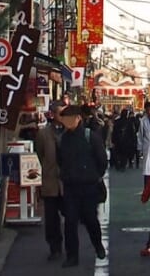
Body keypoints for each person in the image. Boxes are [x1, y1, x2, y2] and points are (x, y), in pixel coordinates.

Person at [56, 105, 107, 267]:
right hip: (70, 186)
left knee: (90, 219)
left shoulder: (90, 136)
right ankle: (72, 256)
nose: (66, 122)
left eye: (69, 118)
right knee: (70, 222)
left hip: (89, 186)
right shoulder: (63, 138)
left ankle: (98, 245)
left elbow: (102, 161)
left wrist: (94, 175)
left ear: (78, 118)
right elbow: (60, 160)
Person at [33, 101, 65, 261]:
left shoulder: (70, 132)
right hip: (50, 181)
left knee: (71, 216)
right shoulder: (43, 134)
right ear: (52, 115)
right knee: (51, 218)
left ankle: (71, 247)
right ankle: (55, 247)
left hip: (67, 181)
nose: (64, 117)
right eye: (61, 113)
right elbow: (39, 154)